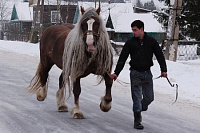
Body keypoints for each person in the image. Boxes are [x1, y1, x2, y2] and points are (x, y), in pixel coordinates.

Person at [109, 20, 167, 130]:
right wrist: (116, 73)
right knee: (136, 98)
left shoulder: (151, 41)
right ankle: (137, 120)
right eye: (132, 30)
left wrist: (164, 70)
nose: (133, 32)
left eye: (135, 30)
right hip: (135, 73)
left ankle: (141, 107)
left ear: (142, 29)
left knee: (149, 98)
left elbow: (160, 56)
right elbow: (122, 58)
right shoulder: (130, 43)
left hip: (147, 73)